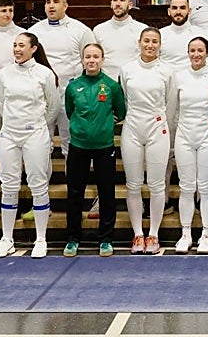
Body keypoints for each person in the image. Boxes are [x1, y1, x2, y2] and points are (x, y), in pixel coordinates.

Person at [0, 32, 60, 258]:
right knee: (9, 186)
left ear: (33, 48)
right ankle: (7, 238)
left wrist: (36, 125)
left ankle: (41, 239)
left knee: (38, 184)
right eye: (15, 45)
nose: (17, 49)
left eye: (22, 45)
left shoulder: (44, 74)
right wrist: (14, 125)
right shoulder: (3, 74)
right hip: (9, 135)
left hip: (35, 135)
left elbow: (53, 106)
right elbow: (0, 102)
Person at [64, 43, 126, 257]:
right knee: (74, 192)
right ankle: (72, 239)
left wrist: (103, 127)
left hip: (104, 146)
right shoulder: (73, 86)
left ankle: (106, 239)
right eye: (88, 57)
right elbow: (69, 110)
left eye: (96, 57)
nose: (91, 60)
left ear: (102, 59)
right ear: (82, 60)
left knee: (107, 192)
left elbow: (121, 111)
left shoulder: (111, 86)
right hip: (78, 146)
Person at [119, 27, 175, 254]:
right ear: (139, 42)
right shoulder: (127, 69)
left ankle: (153, 234)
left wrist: (163, 126)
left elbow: (170, 104)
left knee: (156, 184)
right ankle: (137, 234)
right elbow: (124, 96)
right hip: (132, 127)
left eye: (154, 41)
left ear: (160, 45)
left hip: (157, 128)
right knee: (133, 184)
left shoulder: (167, 71)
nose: (150, 45)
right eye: (146, 41)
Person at [28, 0, 97, 157]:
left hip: (70, 94)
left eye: (56, 2)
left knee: (70, 140)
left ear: (65, 6)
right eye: (48, 2)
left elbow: (91, 61)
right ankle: (42, 181)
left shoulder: (81, 30)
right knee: (42, 140)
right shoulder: (34, 31)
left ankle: (73, 181)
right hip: (42, 96)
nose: (51, 5)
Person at [170, 36, 208, 254]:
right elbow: (172, 110)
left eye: (200, 50)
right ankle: (186, 234)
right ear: (188, 52)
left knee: (206, 186)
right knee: (187, 187)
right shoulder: (179, 76)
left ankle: (206, 234)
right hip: (184, 135)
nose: (196, 54)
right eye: (192, 50)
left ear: (207, 53)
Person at [93, 0, 148, 79]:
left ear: (130, 5)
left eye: (122, 0)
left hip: (133, 80)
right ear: (111, 4)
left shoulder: (142, 29)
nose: (118, 4)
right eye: (115, 0)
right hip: (105, 82)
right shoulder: (98, 30)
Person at [160, 0, 200, 73]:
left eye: (182, 8)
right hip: (166, 81)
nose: (178, 12)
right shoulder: (160, 35)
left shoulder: (200, 34)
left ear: (189, 11)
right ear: (169, 11)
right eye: (174, 8)